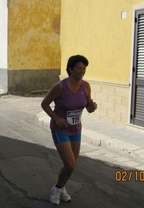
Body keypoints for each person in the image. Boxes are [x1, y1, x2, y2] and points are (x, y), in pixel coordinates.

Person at [41, 55, 97, 205]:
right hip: (60, 129)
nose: (82, 71)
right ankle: (57, 188)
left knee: (71, 165)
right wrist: (56, 118)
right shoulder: (60, 86)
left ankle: (61, 187)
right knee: (70, 164)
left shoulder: (86, 86)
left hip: (76, 128)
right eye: (79, 68)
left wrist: (92, 106)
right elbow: (44, 103)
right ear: (71, 69)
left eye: (84, 68)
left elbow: (88, 104)